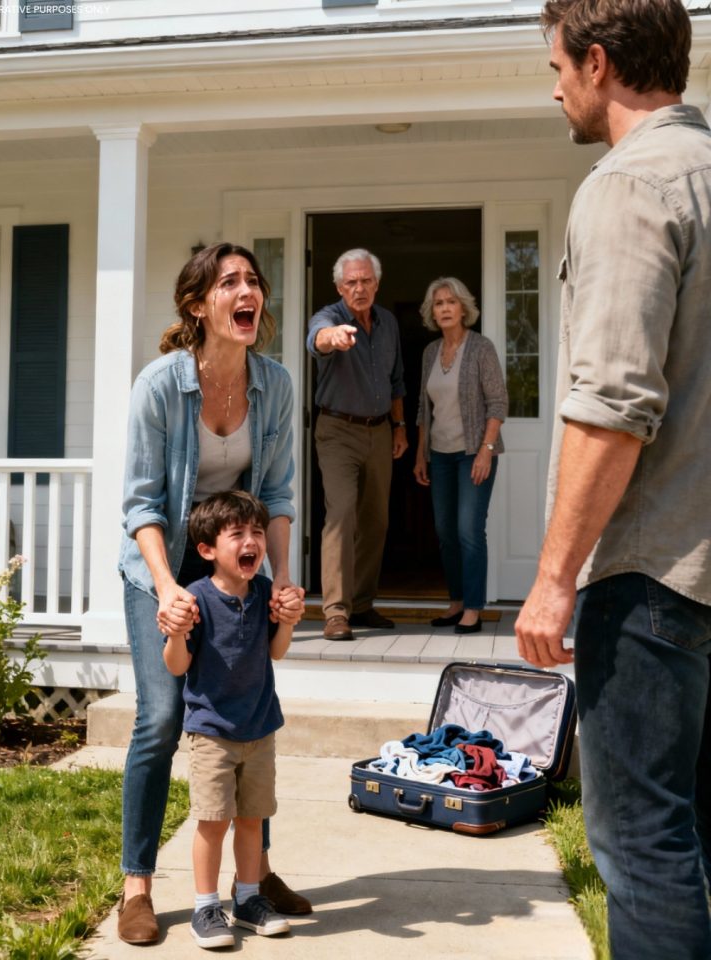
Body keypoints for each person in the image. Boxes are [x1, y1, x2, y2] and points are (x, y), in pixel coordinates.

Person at [515, 1, 711, 957]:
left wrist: (555, 578)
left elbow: (614, 406)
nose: (552, 84)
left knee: (642, 845)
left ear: (597, 63)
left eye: (556, 64)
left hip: (654, 579)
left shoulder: (631, 185)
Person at [117, 242, 311, 946]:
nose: (246, 289)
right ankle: (137, 883)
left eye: (253, 280)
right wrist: (169, 588)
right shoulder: (162, 385)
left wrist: (282, 580)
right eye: (229, 281)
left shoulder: (275, 384)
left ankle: (251, 881)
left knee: (250, 710)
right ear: (199, 305)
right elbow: (140, 503)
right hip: (162, 564)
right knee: (164, 716)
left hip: (238, 566)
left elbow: (281, 492)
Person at [163, 491, 304, 950]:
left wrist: (288, 621)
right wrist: (177, 633)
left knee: (251, 820)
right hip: (212, 734)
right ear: (207, 550)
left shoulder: (265, 592)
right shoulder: (195, 598)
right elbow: (177, 667)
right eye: (237, 534)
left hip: (260, 729)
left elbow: (276, 652)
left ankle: (247, 899)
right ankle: (205, 906)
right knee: (212, 822)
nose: (252, 541)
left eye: (257, 533)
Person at [306, 248, 408, 641]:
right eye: (351, 282)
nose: (359, 288)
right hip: (337, 431)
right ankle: (335, 612)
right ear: (339, 286)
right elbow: (318, 339)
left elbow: (397, 379)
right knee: (342, 515)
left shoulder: (389, 324)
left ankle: (362, 603)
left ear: (377, 284)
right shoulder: (330, 318)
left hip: (380, 431)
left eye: (366, 280)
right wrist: (334, 337)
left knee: (375, 520)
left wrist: (399, 427)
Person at [413, 278, 507, 634]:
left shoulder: (481, 348)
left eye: (451, 302)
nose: (445, 309)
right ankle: (455, 601)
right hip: (440, 454)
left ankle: (473, 607)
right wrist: (422, 456)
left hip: (473, 453)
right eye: (438, 304)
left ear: (464, 308)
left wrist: (485, 451)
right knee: (445, 531)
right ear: (432, 312)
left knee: (469, 529)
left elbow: (498, 403)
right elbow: (424, 409)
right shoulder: (430, 353)